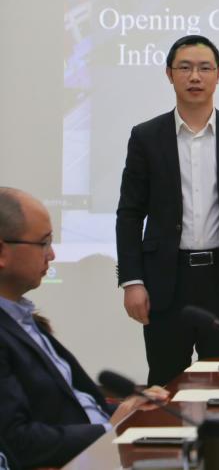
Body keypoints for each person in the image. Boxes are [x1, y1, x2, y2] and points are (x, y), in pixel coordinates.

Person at [116, 35, 219, 386]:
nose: (194, 77)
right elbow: (129, 213)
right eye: (184, 68)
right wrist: (132, 280)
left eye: (204, 68)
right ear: (169, 74)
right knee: (165, 383)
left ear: (218, 74)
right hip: (164, 282)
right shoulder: (146, 136)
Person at [0, 188, 169, 468]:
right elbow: (18, 441)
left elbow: (74, 405)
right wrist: (109, 430)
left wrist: (131, 409)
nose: (52, 254)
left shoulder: (24, 319)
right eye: (43, 243)